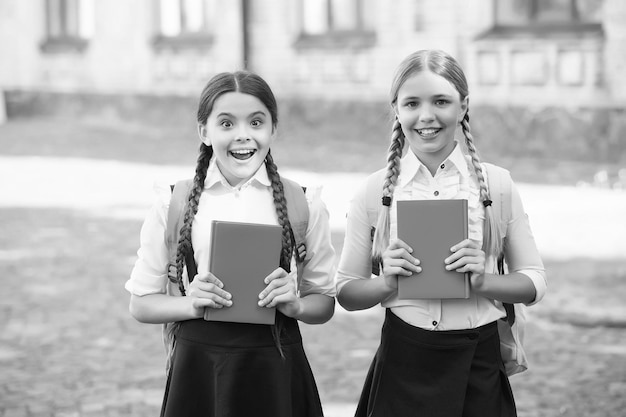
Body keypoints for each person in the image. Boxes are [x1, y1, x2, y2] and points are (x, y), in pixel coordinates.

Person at [335, 49, 547, 417]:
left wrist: (483, 281)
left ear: (463, 106)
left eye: (441, 101)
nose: (426, 116)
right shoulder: (373, 192)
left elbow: (535, 282)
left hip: (477, 363)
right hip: (403, 360)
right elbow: (346, 292)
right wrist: (387, 283)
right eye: (412, 103)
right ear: (397, 109)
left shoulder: (495, 185)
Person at [125, 70, 336, 417]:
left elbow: (324, 303)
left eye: (256, 122)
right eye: (226, 124)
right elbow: (141, 304)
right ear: (204, 132)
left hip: (276, 369)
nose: (243, 136)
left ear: (273, 129)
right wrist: (191, 304)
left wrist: (295, 304)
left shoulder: (303, 202)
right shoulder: (173, 203)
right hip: (200, 371)